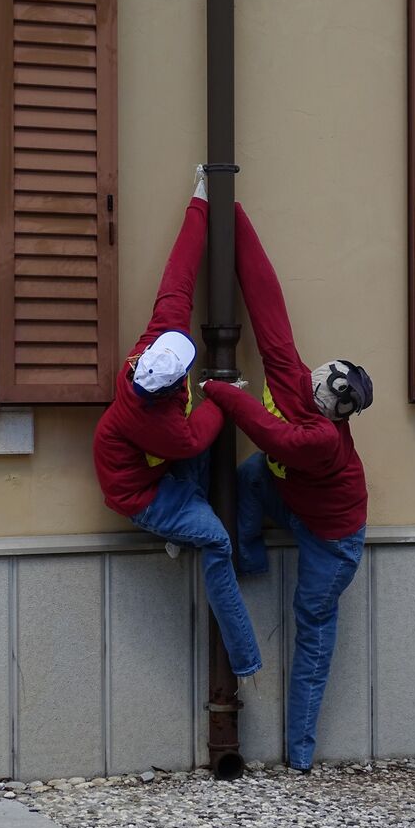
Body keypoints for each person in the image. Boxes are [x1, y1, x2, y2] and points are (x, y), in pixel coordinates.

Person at [201, 202, 372, 771]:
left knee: (312, 629)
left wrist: (219, 389)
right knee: (251, 477)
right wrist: (231, 211)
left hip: (332, 539)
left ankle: (300, 753)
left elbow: (266, 431)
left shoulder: (321, 438)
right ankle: (251, 561)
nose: (311, 378)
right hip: (290, 497)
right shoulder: (294, 377)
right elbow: (268, 303)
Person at [93, 170, 261, 680]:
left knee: (196, 462)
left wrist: (199, 200)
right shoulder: (161, 423)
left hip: (160, 463)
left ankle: (183, 524)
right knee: (216, 541)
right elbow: (200, 431)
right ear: (170, 385)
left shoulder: (153, 343)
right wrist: (221, 389)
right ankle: (247, 658)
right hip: (141, 495)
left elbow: (179, 277)